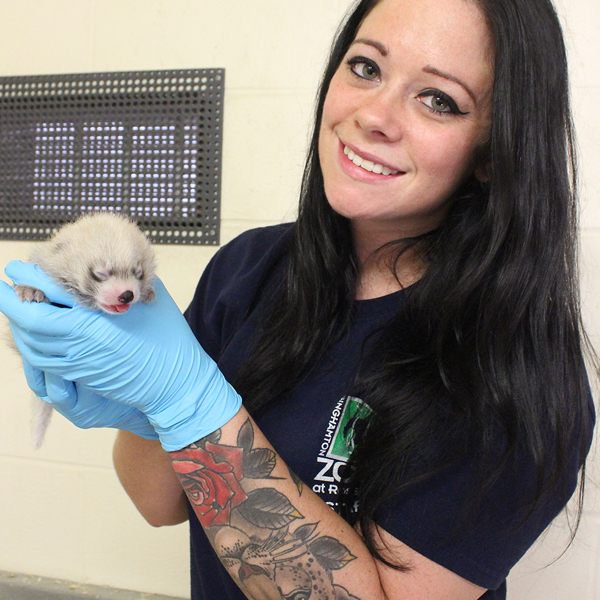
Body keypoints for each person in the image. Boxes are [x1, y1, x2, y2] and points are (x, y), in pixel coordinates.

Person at [0, 0, 596, 598]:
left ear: (495, 151)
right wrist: (142, 404)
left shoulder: (514, 370)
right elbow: (158, 502)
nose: (374, 115)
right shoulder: (248, 270)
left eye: (438, 100)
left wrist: (190, 403)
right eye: (365, 68)